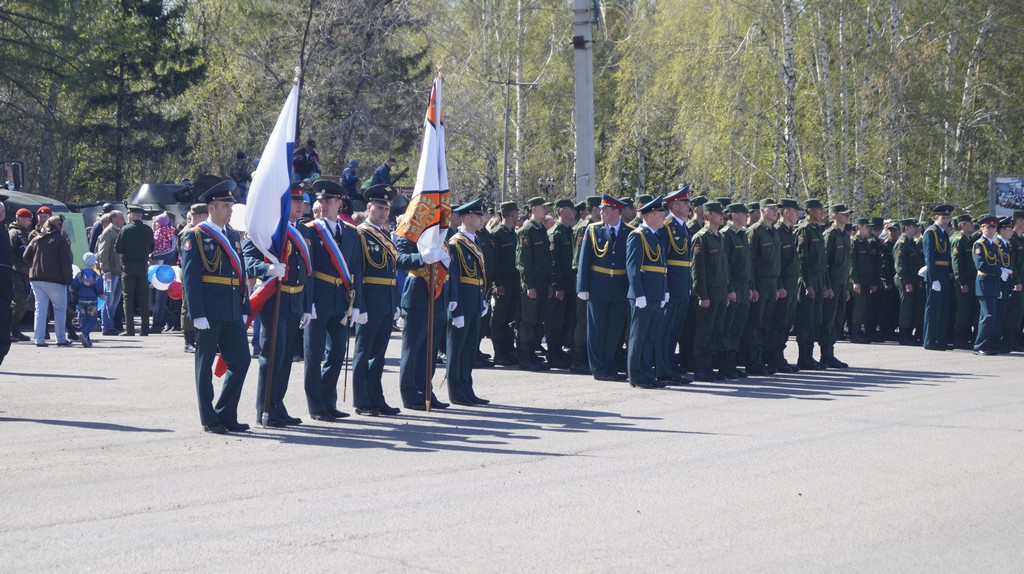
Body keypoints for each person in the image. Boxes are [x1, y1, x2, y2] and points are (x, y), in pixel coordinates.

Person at [181, 175, 251, 434]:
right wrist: (196, 313)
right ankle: (209, 418)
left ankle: (226, 413)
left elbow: (239, 274)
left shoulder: (232, 235)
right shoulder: (196, 236)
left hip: (232, 309)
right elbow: (190, 278)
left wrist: (244, 308)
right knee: (205, 366)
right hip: (208, 311)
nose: (230, 209)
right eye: (225, 206)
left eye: (231, 205)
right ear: (211, 208)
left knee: (241, 360)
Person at [243, 182, 313, 427]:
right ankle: (265, 407)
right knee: (270, 356)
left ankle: (278, 404)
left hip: (295, 300)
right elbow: (248, 259)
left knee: (285, 358)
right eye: (294, 201)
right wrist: (267, 269)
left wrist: (307, 304)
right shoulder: (268, 230)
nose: (299, 206)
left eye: (301, 201)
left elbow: (307, 270)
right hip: (275, 299)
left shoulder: (302, 231)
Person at [302, 180, 365, 421]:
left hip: (341, 301)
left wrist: (357, 304)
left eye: (328, 201)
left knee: (337, 353)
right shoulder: (309, 229)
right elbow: (306, 270)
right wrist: (309, 302)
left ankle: (329, 401)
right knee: (313, 354)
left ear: (339, 203)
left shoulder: (350, 232)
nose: (323, 204)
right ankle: (316, 405)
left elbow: (355, 269)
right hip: (318, 298)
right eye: (320, 200)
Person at [352, 184, 400, 416]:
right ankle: (362, 401)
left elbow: (392, 272)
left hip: (386, 302)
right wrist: (358, 305)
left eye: (386, 208)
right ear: (368, 207)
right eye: (379, 207)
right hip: (369, 301)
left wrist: (396, 302)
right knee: (363, 353)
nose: (383, 212)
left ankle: (376, 397)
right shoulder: (360, 233)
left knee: (378, 355)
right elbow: (358, 273)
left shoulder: (385, 236)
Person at [395, 208, 450, 412]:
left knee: (430, 349)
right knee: (413, 348)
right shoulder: (408, 232)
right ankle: (409, 394)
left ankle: (426, 391)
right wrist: (422, 257)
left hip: (437, 294)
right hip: (417, 292)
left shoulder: (439, 235)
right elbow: (399, 259)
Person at [577, 194, 632, 381]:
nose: (601, 212)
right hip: (598, 286)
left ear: (616, 211)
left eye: (605, 209)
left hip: (619, 286)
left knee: (615, 329)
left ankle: (609, 363)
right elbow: (584, 260)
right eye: (601, 209)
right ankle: (598, 367)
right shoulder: (593, 230)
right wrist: (582, 287)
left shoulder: (630, 231)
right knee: (596, 329)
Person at [446, 197, 490, 405]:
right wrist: (455, 308)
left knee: (469, 347)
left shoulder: (475, 241)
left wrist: (482, 297)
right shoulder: (455, 243)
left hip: (474, 298)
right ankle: (456, 391)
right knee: (457, 349)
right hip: (462, 301)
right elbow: (453, 277)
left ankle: (466, 387)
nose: (482, 219)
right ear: (467, 217)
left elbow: (478, 274)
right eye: (479, 215)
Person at [625, 196, 669, 388]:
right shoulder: (638, 235)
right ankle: (635, 375)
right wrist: (639, 294)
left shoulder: (655, 235)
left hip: (655, 293)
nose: (663, 217)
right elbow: (632, 268)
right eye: (661, 214)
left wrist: (664, 291)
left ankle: (646, 373)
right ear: (650, 216)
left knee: (649, 336)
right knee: (638, 336)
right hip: (643, 295)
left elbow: (662, 267)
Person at [657, 186, 693, 384]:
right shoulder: (667, 226)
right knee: (666, 330)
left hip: (682, 284)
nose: (689, 206)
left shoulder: (682, 226)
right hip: (671, 285)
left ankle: (670, 367)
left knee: (675, 330)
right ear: (675, 205)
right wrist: (666, 289)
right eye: (685, 203)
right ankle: (663, 369)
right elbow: (663, 259)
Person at [690, 201, 729, 381]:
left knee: (716, 329)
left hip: (721, 291)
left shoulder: (719, 236)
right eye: (717, 213)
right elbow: (698, 269)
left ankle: (709, 365)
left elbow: (724, 267)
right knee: (705, 329)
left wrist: (727, 291)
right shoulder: (701, 238)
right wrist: (702, 294)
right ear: (707, 216)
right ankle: (700, 367)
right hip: (709, 292)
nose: (722, 216)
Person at [744, 198, 781, 375]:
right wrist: (752, 286)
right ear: (762, 210)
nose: (775, 212)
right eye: (771, 209)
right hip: (759, 282)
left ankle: (760, 358)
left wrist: (777, 286)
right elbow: (750, 262)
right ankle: (752, 361)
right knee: (755, 324)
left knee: (766, 323)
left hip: (771, 283)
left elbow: (777, 262)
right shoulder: (755, 231)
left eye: (776, 209)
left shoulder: (773, 231)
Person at [23, 215, 73, 347]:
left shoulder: (37, 238)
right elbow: (66, 264)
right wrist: (69, 280)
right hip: (55, 280)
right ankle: (61, 338)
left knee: (40, 309)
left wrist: (34, 267)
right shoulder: (60, 240)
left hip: (36, 279)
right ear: (58, 226)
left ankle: (39, 339)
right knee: (60, 309)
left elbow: (25, 256)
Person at [516, 197, 553, 371]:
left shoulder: (541, 229)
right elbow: (523, 261)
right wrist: (529, 285)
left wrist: (549, 284)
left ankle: (533, 353)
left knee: (539, 320)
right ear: (533, 209)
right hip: (531, 282)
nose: (546, 209)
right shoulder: (527, 230)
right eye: (542, 207)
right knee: (528, 321)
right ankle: (525, 356)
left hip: (542, 281)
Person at [720, 203, 753, 379]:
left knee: (738, 327)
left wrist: (749, 287)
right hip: (733, 286)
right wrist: (730, 289)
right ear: (733, 215)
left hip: (743, 287)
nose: (747, 216)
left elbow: (748, 265)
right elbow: (726, 267)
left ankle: (731, 362)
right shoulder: (727, 236)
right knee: (728, 327)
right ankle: (725, 364)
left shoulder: (742, 235)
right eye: (743, 213)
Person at [794, 199, 828, 370]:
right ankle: (804, 357)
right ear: (810, 211)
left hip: (819, 279)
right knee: (806, 319)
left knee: (816, 318)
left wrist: (825, 285)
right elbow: (802, 260)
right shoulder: (804, 230)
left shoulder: (817, 230)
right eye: (819, 210)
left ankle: (810, 355)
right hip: (808, 280)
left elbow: (822, 262)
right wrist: (808, 284)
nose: (822, 213)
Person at [767, 198, 801, 373]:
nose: (798, 215)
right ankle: (774, 357)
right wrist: (780, 285)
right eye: (795, 212)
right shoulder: (778, 231)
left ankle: (780, 355)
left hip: (792, 282)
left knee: (787, 322)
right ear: (786, 212)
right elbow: (776, 263)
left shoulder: (789, 232)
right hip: (783, 283)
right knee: (779, 322)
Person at [570, 196, 602, 374]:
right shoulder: (585, 228)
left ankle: (588, 357)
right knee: (583, 321)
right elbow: (578, 260)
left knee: (591, 321)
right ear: (595, 209)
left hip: (596, 281)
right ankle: (577, 359)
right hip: (585, 280)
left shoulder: (596, 227)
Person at [546, 199, 577, 370]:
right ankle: (553, 354)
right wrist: (557, 286)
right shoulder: (555, 233)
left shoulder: (568, 231)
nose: (574, 212)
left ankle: (561, 352)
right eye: (571, 209)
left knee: (567, 319)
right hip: (561, 283)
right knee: (555, 321)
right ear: (563, 211)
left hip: (570, 283)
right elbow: (553, 263)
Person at [820, 204, 853, 368]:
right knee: (828, 319)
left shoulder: (845, 236)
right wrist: (827, 286)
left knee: (838, 319)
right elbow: (824, 264)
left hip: (841, 284)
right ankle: (825, 354)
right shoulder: (830, 235)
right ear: (834, 216)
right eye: (844, 214)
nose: (847, 216)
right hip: (832, 284)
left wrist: (847, 287)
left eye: (848, 214)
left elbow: (847, 265)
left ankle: (831, 351)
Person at [489, 202, 521, 365]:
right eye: (516, 212)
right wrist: (498, 283)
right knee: (499, 319)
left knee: (510, 317)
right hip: (503, 282)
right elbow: (495, 262)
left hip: (514, 281)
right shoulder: (497, 234)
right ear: (510, 214)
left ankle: (509, 349)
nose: (518, 215)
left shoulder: (512, 233)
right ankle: (499, 352)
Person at [115, 205, 154, 336]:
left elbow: (118, 248)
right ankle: (145, 329)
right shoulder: (148, 230)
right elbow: (152, 248)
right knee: (144, 297)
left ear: (131, 215)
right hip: (143, 266)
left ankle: (130, 329)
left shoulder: (125, 229)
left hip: (129, 266)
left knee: (128, 297)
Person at [922, 205, 954, 350]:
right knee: (933, 309)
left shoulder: (943, 233)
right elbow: (929, 257)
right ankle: (930, 340)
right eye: (943, 217)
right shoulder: (931, 232)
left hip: (943, 274)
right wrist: (933, 278)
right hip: (935, 274)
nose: (946, 220)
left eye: (947, 218)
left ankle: (940, 338)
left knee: (943, 308)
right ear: (936, 217)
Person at [177, 204, 207, 352]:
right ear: (201, 216)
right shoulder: (188, 232)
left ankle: (198, 338)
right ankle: (188, 340)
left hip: (199, 273)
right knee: (187, 305)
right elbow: (186, 257)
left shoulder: (199, 231)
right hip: (190, 273)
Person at [972, 215, 1002, 355]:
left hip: (993, 283)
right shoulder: (980, 244)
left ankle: (984, 343)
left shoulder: (993, 244)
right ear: (982, 228)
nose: (991, 230)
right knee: (988, 315)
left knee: (988, 315)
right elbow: (981, 265)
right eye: (988, 227)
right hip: (984, 282)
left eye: (993, 227)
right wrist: (999, 271)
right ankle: (980, 345)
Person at [894, 219, 925, 345]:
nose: (916, 229)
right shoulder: (902, 243)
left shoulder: (910, 242)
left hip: (912, 279)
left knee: (913, 307)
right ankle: (904, 335)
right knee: (906, 308)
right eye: (913, 227)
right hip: (904, 280)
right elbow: (900, 266)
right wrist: (906, 282)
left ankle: (909, 333)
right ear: (906, 228)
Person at [950, 214, 979, 349]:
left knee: (970, 308)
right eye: (969, 223)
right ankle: (959, 337)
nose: (972, 225)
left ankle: (966, 335)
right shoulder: (959, 240)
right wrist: (961, 282)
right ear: (962, 225)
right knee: (963, 309)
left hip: (971, 279)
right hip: (964, 280)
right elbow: (957, 263)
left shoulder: (968, 239)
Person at [849, 217, 880, 344]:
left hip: (867, 279)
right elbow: (852, 264)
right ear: (859, 227)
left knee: (866, 306)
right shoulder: (854, 242)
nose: (869, 229)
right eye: (867, 227)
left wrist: (873, 282)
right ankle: (855, 333)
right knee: (859, 307)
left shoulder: (865, 241)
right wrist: (855, 281)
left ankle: (862, 332)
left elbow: (870, 264)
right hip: (858, 280)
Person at [96, 210, 124, 335]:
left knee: (115, 301)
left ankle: (110, 325)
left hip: (118, 271)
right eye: (121, 218)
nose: (123, 220)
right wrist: (105, 270)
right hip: (110, 272)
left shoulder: (119, 231)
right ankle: (106, 327)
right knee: (108, 300)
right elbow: (102, 253)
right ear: (115, 219)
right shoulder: (108, 232)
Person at [8, 207, 33, 341]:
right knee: (18, 301)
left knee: (20, 301)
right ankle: (12, 330)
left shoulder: (20, 232)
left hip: (20, 271)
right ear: (21, 219)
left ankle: (14, 329)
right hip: (17, 271)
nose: (29, 223)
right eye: (28, 220)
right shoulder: (17, 233)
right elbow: (23, 252)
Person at [150, 213, 178, 332]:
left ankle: (157, 325)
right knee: (153, 300)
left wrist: (154, 255)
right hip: (155, 268)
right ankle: (173, 320)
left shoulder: (172, 234)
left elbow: (172, 250)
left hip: (165, 268)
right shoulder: (157, 232)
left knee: (160, 299)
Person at [71, 252, 104, 347]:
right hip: (92, 301)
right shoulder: (96, 276)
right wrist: (102, 295)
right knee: (93, 319)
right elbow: (99, 289)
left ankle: (87, 339)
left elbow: (73, 286)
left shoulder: (79, 274)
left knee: (84, 319)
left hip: (81, 300)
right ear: (94, 263)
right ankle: (85, 334)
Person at [1003, 211, 1024, 351]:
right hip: (1016, 282)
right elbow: (1012, 265)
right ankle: (1010, 339)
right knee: (1015, 310)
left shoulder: (1020, 239)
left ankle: (1017, 338)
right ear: (1020, 221)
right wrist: (1016, 281)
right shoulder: (1012, 240)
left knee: (1020, 311)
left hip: (1022, 280)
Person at [0, 197, 13, 364]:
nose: (1, 214)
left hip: (5, 283)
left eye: (3, 211)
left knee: (4, 323)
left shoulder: (5, 230)